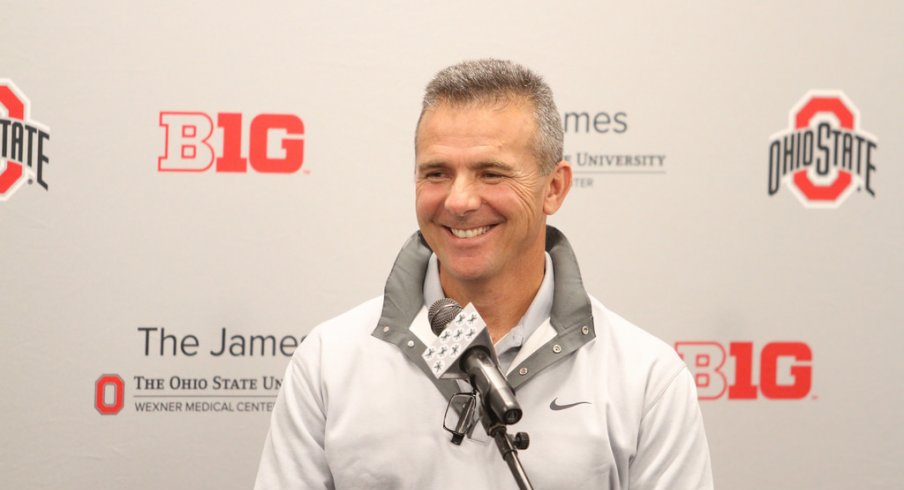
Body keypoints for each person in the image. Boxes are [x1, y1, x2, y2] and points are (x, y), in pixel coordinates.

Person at [254, 59, 713, 489]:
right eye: (436, 173)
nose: (458, 201)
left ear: (554, 188)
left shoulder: (646, 377)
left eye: (490, 173)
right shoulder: (329, 361)